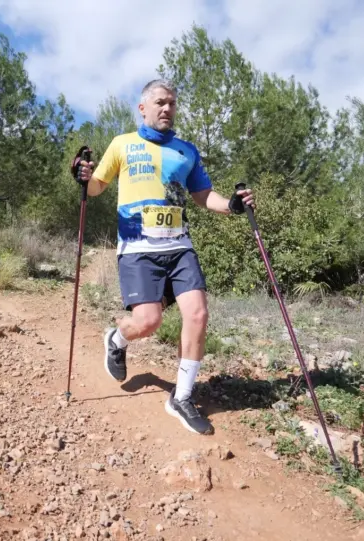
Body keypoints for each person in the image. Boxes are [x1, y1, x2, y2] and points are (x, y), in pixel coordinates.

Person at [76, 79, 255, 435]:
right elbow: (96, 187)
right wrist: (83, 177)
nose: (167, 109)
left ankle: (182, 397)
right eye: (160, 102)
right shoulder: (123, 144)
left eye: (172, 103)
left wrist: (232, 206)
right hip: (138, 249)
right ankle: (117, 339)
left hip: (179, 247)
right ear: (142, 108)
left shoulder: (186, 151)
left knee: (198, 313)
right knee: (148, 322)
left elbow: (204, 195)